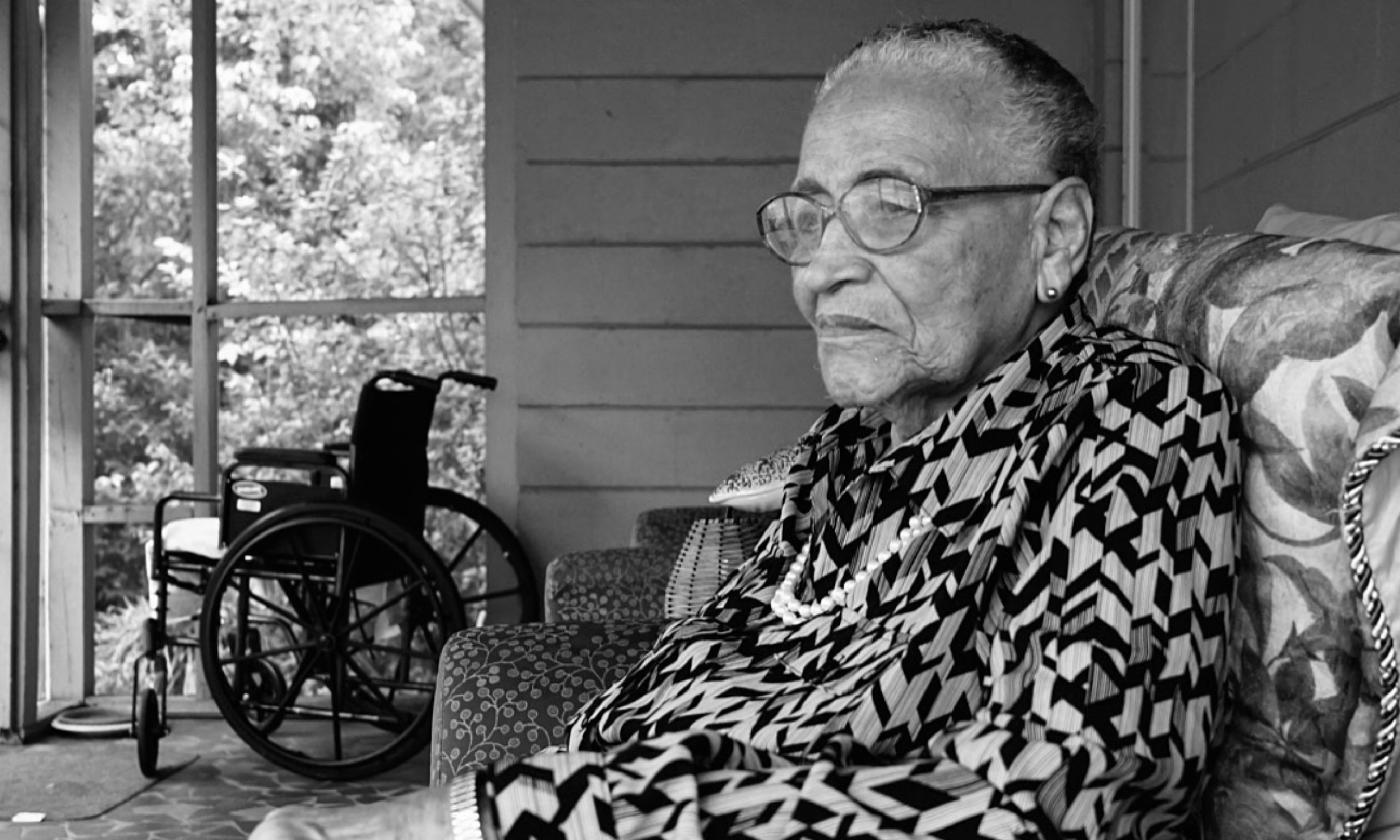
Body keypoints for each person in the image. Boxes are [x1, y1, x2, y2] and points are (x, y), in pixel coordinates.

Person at [252, 18, 1241, 840]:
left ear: (1053, 235)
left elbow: (1070, 797)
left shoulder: (1126, 417)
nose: (818, 271)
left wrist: (480, 821)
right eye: (808, 218)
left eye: (889, 206)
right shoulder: (853, 443)